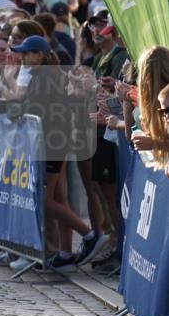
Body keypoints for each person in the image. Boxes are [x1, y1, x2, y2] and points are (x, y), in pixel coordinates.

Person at [10, 36, 109, 270]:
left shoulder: (46, 77)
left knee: (44, 201)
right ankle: (65, 254)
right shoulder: (44, 75)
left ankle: (89, 235)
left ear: (41, 55)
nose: (22, 58)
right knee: (59, 199)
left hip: (52, 145)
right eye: (22, 53)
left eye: (27, 53)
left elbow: (35, 107)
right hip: (53, 143)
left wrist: (15, 109)